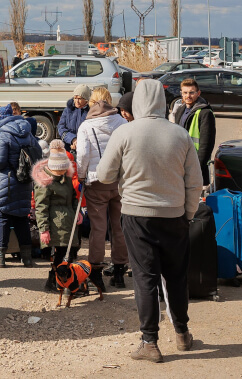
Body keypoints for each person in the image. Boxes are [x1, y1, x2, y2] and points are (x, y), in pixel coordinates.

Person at [97, 78, 203, 363]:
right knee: (176, 277)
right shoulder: (179, 134)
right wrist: (188, 214)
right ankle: (182, 332)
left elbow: (105, 175)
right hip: (174, 215)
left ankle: (150, 342)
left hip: (136, 215)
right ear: (163, 101)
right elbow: (195, 182)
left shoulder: (124, 133)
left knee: (145, 278)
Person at [74, 100, 131, 288]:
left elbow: (82, 155)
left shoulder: (86, 126)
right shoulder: (122, 123)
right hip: (119, 181)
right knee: (119, 226)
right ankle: (120, 270)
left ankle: (96, 272)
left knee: (98, 227)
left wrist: (82, 176)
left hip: (97, 181)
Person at [0, 104, 40, 268]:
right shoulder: (28, 131)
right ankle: (27, 258)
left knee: (2, 215)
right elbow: (38, 153)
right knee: (21, 217)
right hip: (24, 181)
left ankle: (0, 257)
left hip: (7, 182)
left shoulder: (4, 135)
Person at [35, 140, 92, 291]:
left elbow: (73, 198)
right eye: (58, 171)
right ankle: (56, 282)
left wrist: (78, 211)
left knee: (70, 252)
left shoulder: (66, 178)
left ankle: (67, 282)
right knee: (60, 255)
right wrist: (44, 230)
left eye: (63, 170)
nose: (61, 173)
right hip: (55, 223)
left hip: (69, 221)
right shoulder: (45, 182)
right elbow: (41, 207)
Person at [169, 78, 216, 186]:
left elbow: (206, 145)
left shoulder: (205, 113)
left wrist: (197, 168)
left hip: (196, 165)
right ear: (181, 93)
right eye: (185, 93)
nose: (188, 96)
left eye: (191, 92)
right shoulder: (180, 110)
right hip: (181, 162)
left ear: (198, 93)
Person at [58, 84, 92, 153]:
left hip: (86, 148)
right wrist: (72, 139)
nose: (76, 101)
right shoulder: (68, 110)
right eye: (75, 98)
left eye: (79, 98)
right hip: (68, 147)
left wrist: (79, 142)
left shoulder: (91, 111)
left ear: (86, 99)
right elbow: (61, 128)